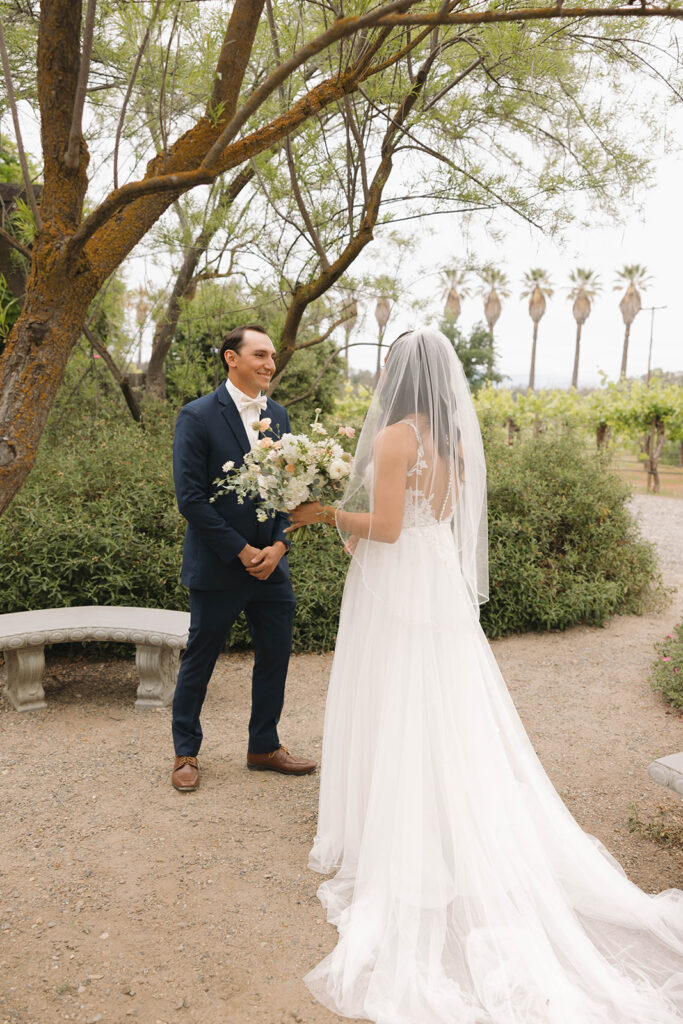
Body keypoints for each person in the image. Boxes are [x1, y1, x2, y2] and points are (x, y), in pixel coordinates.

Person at [288, 327, 683, 1024]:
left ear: (400, 376)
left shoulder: (393, 440)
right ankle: (445, 816)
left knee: (397, 697)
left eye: (386, 366)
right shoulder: (453, 441)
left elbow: (382, 527)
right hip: (433, 577)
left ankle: (405, 833)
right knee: (442, 704)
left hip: (399, 582)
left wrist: (325, 514)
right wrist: (363, 521)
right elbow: (431, 517)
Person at [170, 324, 316, 792]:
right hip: (218, 566)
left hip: (272, 564)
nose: (270, 363)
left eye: (272, 356)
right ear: (231, 358)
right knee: (200, 658)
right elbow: (191, 499)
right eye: (260, 354)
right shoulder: (196, 416)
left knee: (274, 656)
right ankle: (186, 752)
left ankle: (264, 746)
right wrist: (241, 549)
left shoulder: (280, 415)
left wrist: (278, 546)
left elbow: (291, 491)